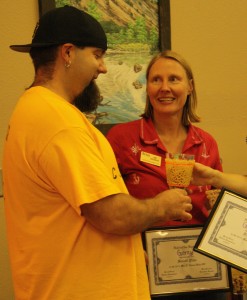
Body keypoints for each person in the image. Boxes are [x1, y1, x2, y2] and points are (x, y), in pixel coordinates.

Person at [3, 6, 193, 300]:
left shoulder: (40, 111)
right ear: (67, 53)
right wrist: (162, 205)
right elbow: (110, 215)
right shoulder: (57, 121)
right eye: (97, 55)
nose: (103, 67)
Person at [107, 50, 223, 227]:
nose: (164, 88)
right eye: (156, 80)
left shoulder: (207, 143)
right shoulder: (121, 138)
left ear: (190, 87)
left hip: (194, 251)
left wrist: (215, 207)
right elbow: (106, 209)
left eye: (174, 79)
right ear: (147, 88)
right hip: (139, 251)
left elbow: (220, 207)